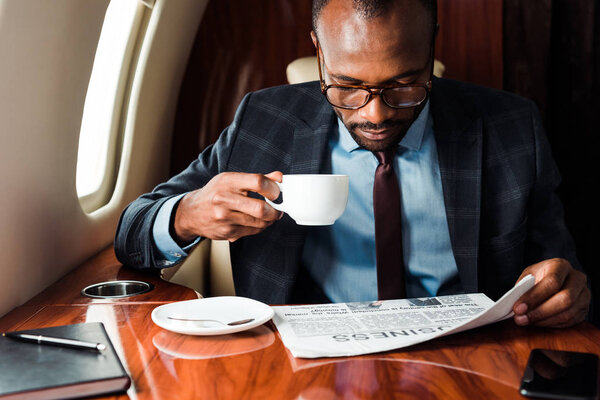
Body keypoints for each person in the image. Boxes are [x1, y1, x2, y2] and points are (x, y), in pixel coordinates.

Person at [115, 0, 591, 328]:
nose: (375, 114)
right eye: (346, 86)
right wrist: (185, 215)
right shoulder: (264, 120)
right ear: (319, 51)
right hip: (302, 361)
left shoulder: (511, 126)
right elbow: (131, 231)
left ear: (431, 49)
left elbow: (560, 270)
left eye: (404, 85)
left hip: (463, 353)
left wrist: (565, 293)